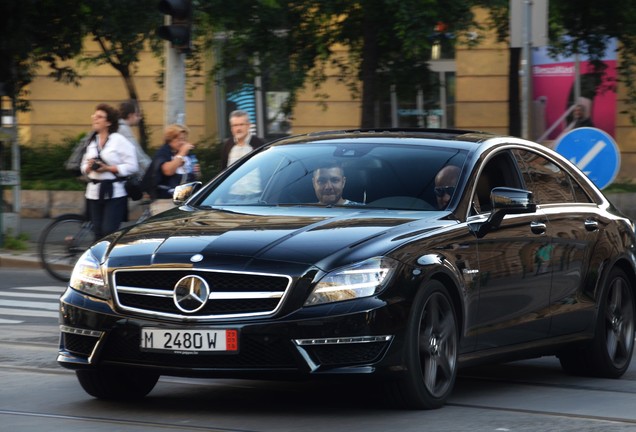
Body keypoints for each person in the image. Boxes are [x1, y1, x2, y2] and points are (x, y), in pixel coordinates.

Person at [81, 103, 139, 238]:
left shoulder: (118, 140)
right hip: (93, 193)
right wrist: (88, 167)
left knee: (108, 232)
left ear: (108, 122)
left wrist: (108, 168)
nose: (95, 119)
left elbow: (133, 165)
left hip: (115, 194)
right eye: (94, 116)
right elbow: (83, 166)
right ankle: (98, 259)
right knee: (97, 233)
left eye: (100, 117)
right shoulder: (92, 141)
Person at [148, 124, 201, 215]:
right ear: (170, 140)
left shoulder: (188, 156)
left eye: (184, 139)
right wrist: (182, 153)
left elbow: (196, 175)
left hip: (186, 200)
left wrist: (196, 171)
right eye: (179, 139)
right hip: (166, 202)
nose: (183, 142)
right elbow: (168, 171)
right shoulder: (163, 153)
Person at [118, 99, 152, 175]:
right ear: (130, 115)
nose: (139, 118)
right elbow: (137, 155)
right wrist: (152, 170)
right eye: (137, 115)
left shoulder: (118, 127)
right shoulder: (123, 130)